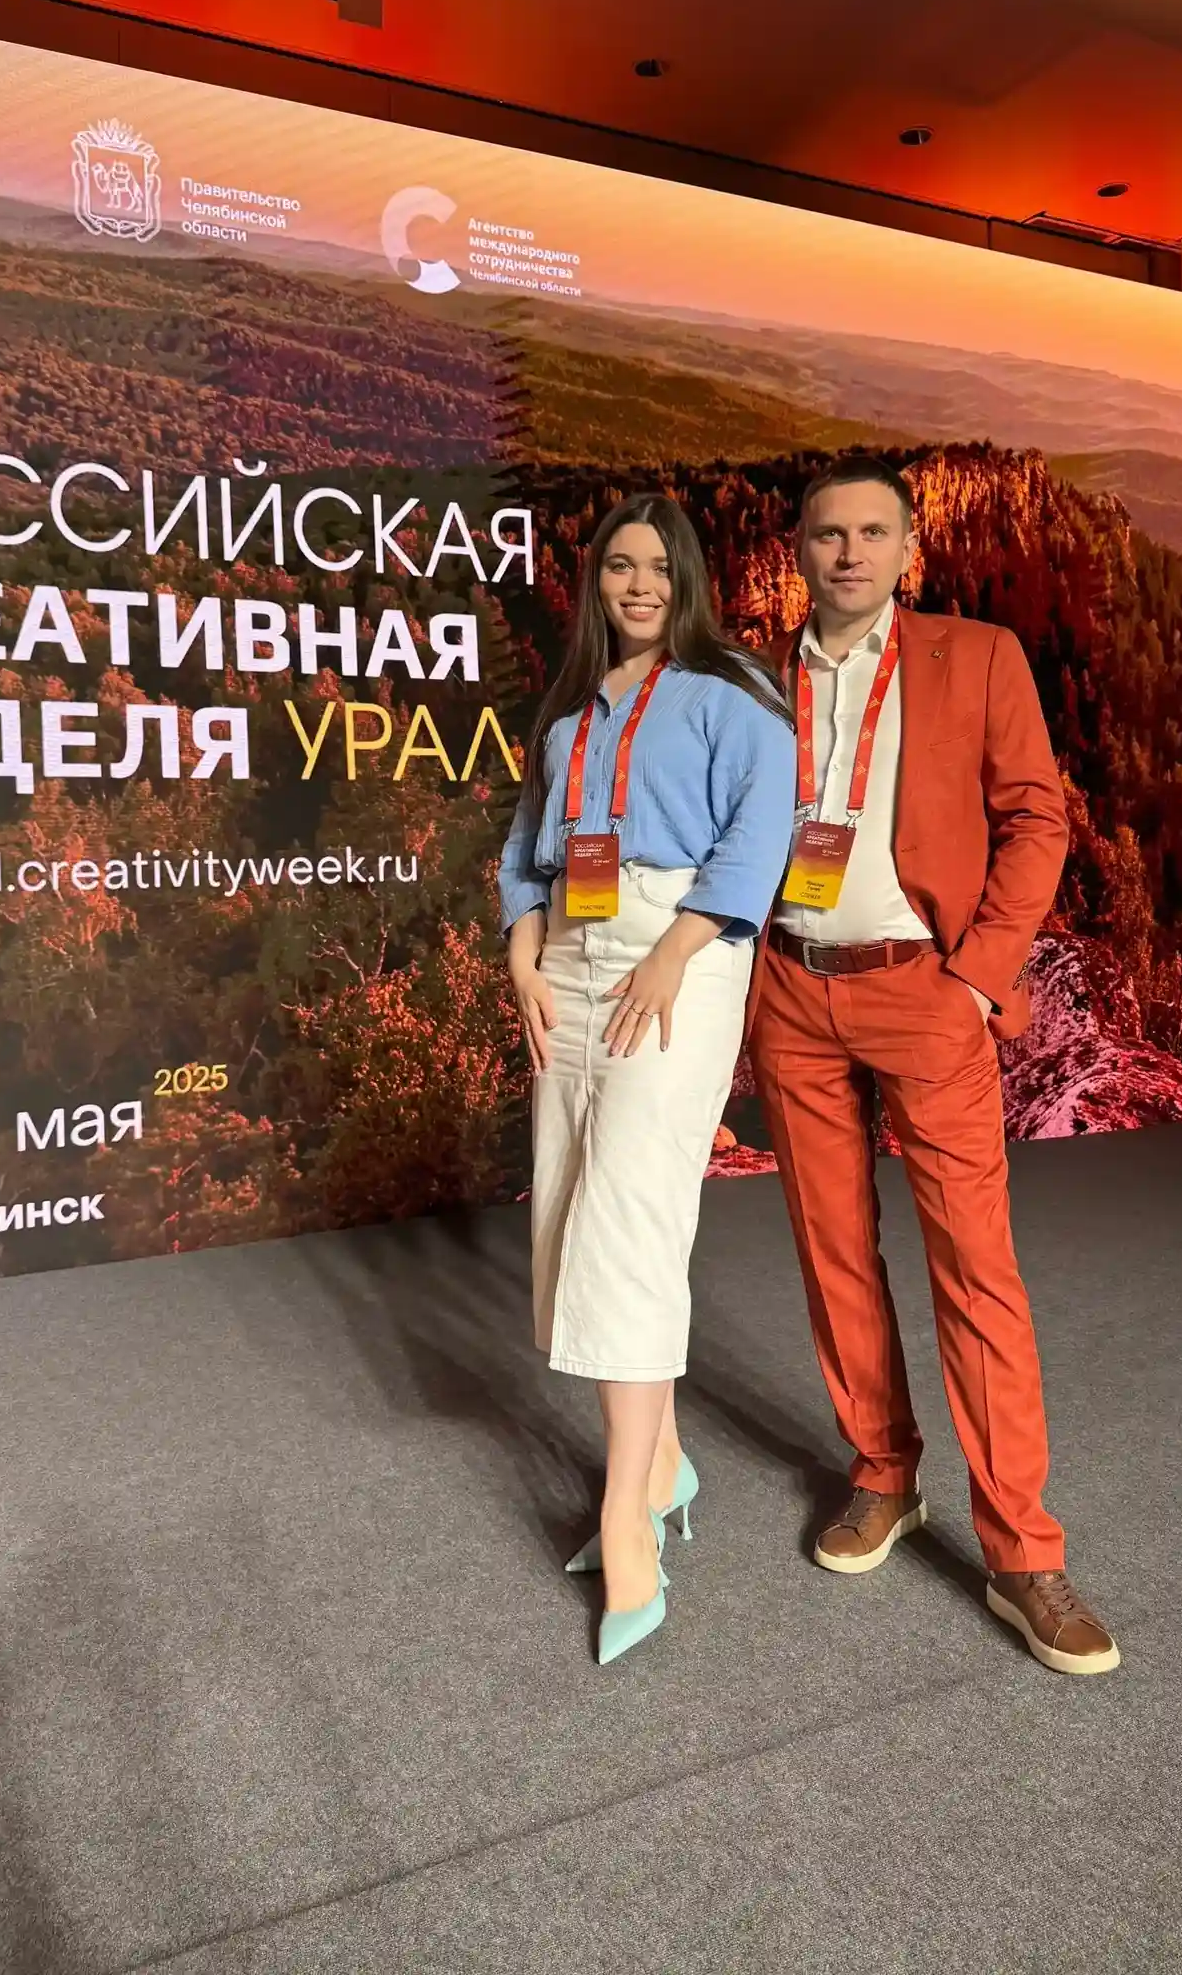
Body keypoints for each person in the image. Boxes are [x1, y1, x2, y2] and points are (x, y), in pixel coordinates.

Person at [748, 456, 1120, 1675]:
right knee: (834, 1253)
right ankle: (883, 1474)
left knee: (975, 1267)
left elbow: (1037, 820)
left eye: (873, 533)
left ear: (908, 548)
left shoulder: (978, 656)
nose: (850, 552)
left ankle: (1023, 1552)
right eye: (828, 534)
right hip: (793, 988)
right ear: (798, 551)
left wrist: (977, 979)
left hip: (926, 989)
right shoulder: (755, 678)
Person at [499, 494, 795, 1666]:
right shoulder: (571, 706)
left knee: (629, 1221)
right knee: (571, 1211)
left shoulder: (733, 690)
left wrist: (679, 949)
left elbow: (761, 834)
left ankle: (628, 1515)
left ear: (689, 580)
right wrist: (522, 948)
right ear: (596, 583)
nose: (637, 586)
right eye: (618, 566)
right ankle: (664, 1463)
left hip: (677, 954)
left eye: (658, 567)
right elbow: (527, 846)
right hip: (571, 959)